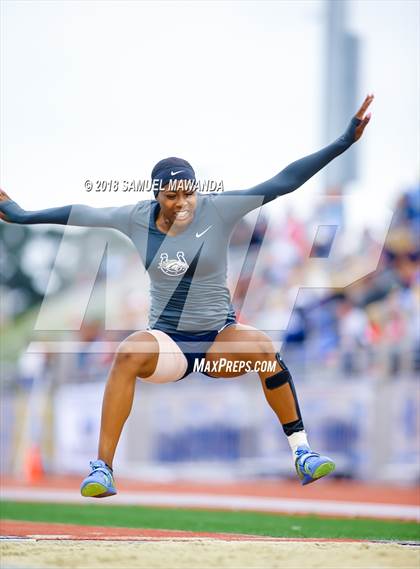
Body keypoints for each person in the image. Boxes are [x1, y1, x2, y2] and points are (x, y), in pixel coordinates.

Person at [0, 94, 374, 496]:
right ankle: (102, 469)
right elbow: (79, 212)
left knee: (265, 346)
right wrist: (21, 214)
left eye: (188, 193)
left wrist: (342, 142)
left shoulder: (220, 209)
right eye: (171, 196)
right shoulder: (134, 218)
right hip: (169, 346)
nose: (182, 203)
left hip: (218, 342)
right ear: (156, 196)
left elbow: (283, 182)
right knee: (127, 353)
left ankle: (302, 452)